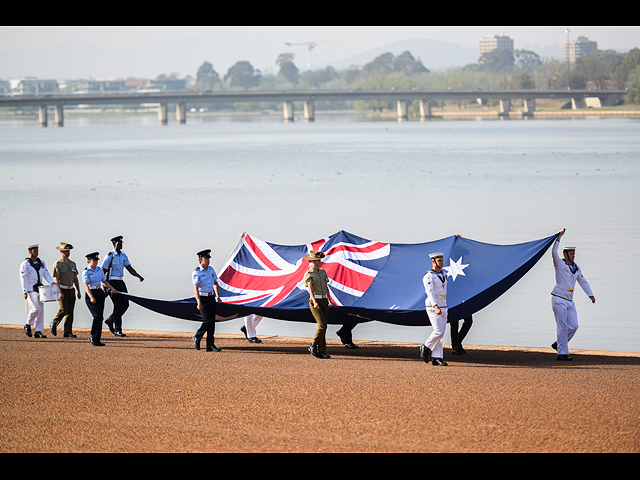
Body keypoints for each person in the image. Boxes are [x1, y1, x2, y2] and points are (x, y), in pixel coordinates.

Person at [550, 229, 596, 361]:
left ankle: (558, 344)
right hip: (559, 299)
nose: (573, 256)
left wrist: (590, 295)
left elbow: (583, 281)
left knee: (574, 326)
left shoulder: (576, 267)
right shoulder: (560, 264)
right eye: (571, 254)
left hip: (570, 300)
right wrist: (558, 239)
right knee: (562, 326)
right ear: (565, 255)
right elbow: (553, 253)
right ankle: (561, 353)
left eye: (574, 254)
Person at [100, 235, 144, 337]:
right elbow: (102, 272)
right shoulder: (109, 256)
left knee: (125, 304)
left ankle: (111, 319)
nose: (121, 245)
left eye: (121, 243)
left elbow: (129, 268)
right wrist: (105, 287)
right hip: (112, 282)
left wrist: (138, 276)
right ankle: (117, 329)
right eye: (119, 243)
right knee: (117, 305)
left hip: (120, 282)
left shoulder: (123, 256)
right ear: (114, 244)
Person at [303, 250, 336, 359]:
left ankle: (322, 351)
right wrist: (314, 301)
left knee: (324, 327)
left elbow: (326, 287)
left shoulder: (322, 272)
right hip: (315, 301)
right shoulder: (309, 273)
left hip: (324, 301)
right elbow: (310, 289)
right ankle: (313, 345)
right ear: (312, 261)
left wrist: (329, 300)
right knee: (322, 325)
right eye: (318, 259)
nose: (320, 261)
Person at [20, 244, 57, 339]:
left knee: (41, 310)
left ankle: (38, 330)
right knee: (35, 309)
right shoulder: (25, 264)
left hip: (40, 289)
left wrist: (52, 282)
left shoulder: (41, 262)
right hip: (31, 289)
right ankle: (28, 324)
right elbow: (23, 278)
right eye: (34, 250)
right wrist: (24, 291)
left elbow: (46, 273)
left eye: (37, 250)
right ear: (30, 252)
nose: (36, 252)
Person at [82, 252, 119, 346]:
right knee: (97, 316)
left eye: (97, 260)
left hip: (99, 293)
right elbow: (86, 286)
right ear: (89, 261)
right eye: (94, 260)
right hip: (91, 293)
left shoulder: (99, 270)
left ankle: (97, 339)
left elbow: (104, 281)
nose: (96, 262)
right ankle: (92, 335)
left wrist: (112, 288)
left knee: (100, 317)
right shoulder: (86, 271)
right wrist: (91, 297)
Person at [420, 252, 448, 366]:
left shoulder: (444, 273)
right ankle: (426, 346)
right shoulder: (429, 276)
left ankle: (437, 358)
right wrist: (435, 306)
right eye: (439, 260)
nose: (441, 262)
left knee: (441, 334)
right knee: (438, 331)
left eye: (442, 260)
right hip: (433, 306)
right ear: (433, 261)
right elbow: (429, 292)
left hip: (444, 305)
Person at [192, 249, 222, 352]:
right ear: (200, 259)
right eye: (206, 258)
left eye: (209, 258)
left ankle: (210, 345)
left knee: (212, 322)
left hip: (211, 297)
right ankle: (197, 336)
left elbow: (215, 283)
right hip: (202, 298)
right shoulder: (197, 272)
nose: (208, 260)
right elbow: (195, 288)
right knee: (207, 320)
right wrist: (198, 302)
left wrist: (217, 296)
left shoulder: (211, 270)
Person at [50, 242, 82, 338]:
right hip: (62, 289)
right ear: (61, 252)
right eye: (65, 251)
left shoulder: (72, 263)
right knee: (64, 309)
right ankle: (54, 323)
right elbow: (56, 279)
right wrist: (59, 291)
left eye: (68, 251)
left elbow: (75, 278)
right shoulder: (57, 264)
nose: (68, 252)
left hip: (71, 289)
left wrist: (79, 291)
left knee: (70, 311)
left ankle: (67, 331)